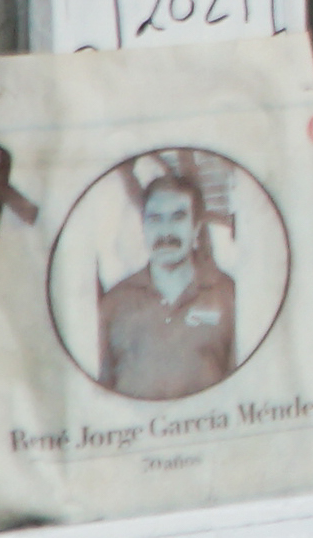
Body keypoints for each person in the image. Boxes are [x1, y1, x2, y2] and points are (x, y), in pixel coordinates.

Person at [88, 156, 244, 401]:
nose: (166, 232)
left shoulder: (228, 295)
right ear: (144, 227)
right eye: (155, 219)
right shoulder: (114, 303)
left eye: (178, 217)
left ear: (196, 228)